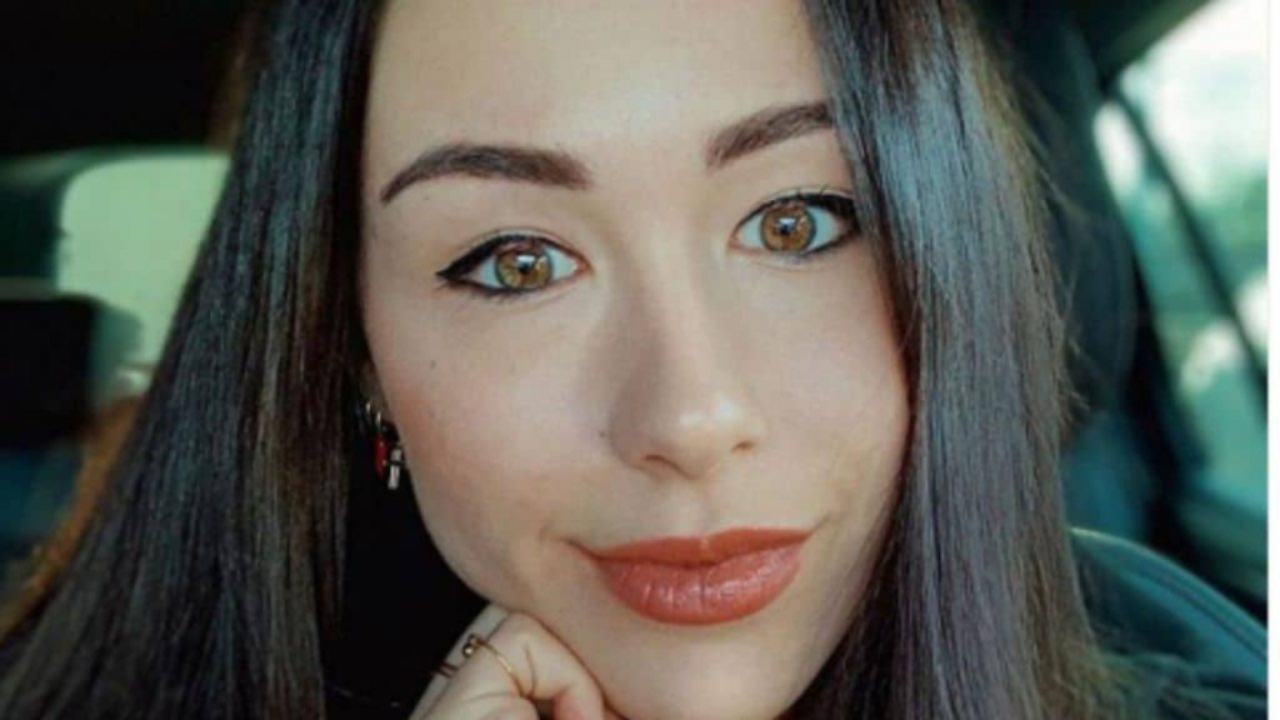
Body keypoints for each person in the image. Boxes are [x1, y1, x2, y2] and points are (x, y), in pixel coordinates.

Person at [0, 1, 1263, 718]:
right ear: (354, 353)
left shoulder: (1197, 661)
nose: (691, 415)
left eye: (797, 223)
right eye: (515, 262)